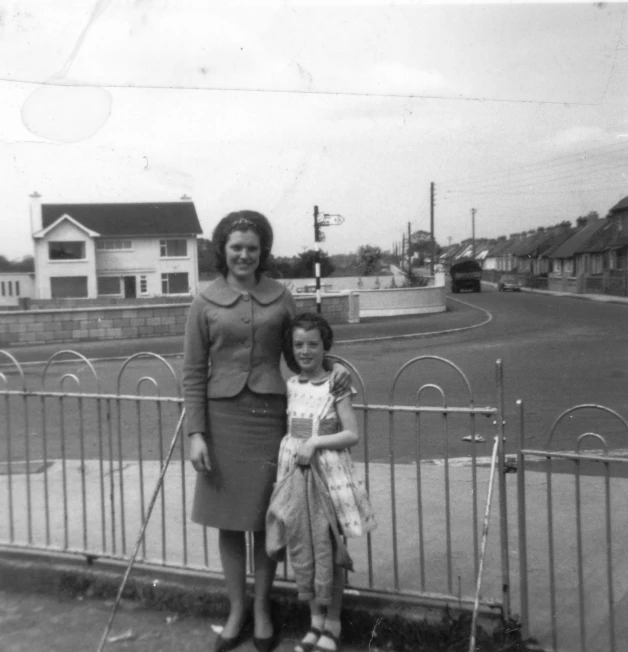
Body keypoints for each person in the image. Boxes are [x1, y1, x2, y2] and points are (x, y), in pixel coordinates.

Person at [182, 211, 349, 652]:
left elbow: (302, 352)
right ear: (223, 250)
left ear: (263, 253)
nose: (244, 254)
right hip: (221, 423)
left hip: (271, 418)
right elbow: (193, 372)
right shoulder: (204, 301)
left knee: (266, 516)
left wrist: (331, 382)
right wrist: (195, 433)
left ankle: (261, 610)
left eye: (252, 248)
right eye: (236, 247)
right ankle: (236, 610)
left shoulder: (281, 296)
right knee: (230, 520)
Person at [266, 313, 376, 652]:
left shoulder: (337, 382)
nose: (306, 351)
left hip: (327, 474)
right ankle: (314, 620)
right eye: (299, 344)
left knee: (330, 545)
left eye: (313, 344)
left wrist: (314, 443)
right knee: (304, 544)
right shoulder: (291, 385)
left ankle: (333, 623)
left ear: (324, 345)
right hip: (296, 473)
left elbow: (352, 434)